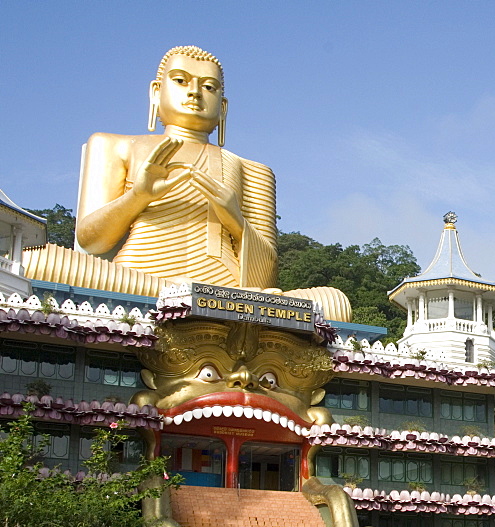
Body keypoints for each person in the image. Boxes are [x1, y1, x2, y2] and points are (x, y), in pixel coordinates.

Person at [21, 45, 350, 322]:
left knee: (334, 302)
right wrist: (138, 196)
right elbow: (91, 241)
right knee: (36, 259)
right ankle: (193, 297)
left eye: (209, 87)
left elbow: (266, 278)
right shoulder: (114, 145)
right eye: (181, 81)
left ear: (222, 108)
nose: (195, 92)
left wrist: (234, 219)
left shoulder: (252, 170)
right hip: (140, 280)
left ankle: (198, 298)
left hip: (228, 289)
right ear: (156, 91)